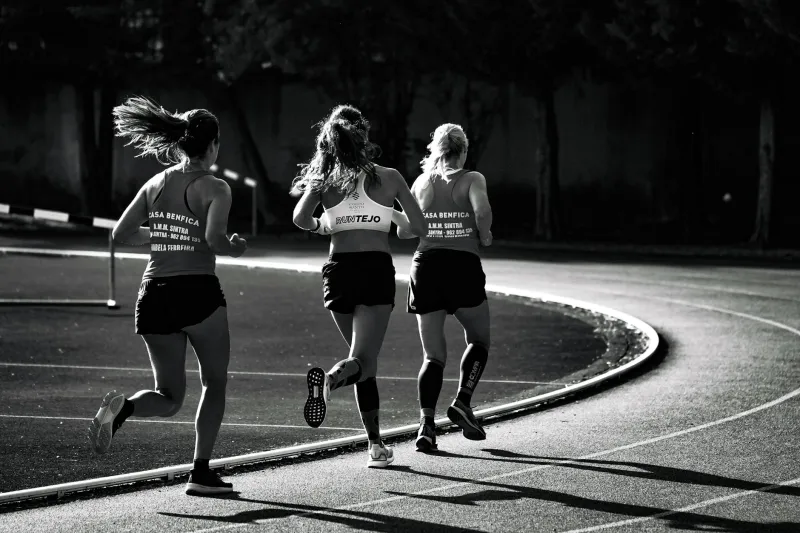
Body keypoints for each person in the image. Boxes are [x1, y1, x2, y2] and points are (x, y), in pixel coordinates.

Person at [88, 96, 247, 495]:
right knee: (214, 383)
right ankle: (200, 472)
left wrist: (163, 235)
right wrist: (234, 248)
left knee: (169, 396)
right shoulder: (216, 187)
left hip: (154, 294)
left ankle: (124, 408)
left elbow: (120, 234)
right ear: (213, 145)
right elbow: (214, 239)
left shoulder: (155, 183)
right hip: (197, 293)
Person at [291, 104, 427, 467]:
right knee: (363, 361)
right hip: (374, 270)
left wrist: (324, 225)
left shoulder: (325, 178)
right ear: (364, 137)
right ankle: (331, 380)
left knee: (364, 362)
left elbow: (300, 218)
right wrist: (391, 216)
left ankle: (376, 446)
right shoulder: (389, 176)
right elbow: (419, 228)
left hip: (338, 271)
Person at [395, 123, 493, 453]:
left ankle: (426, 426)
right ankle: (463, 400)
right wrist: (485, 235)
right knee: (479, 339)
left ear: (436, 149)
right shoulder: (472, 179)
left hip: (427, 267)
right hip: (462, 266)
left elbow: (405, 232)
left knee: (433, 355)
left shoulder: (422, 182)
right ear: (463, 150)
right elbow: (482, 211)